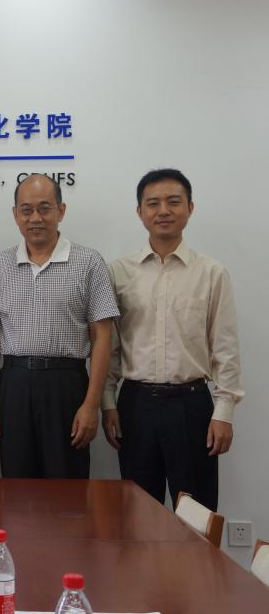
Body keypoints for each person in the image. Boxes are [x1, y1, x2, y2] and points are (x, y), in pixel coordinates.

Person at [102, 169, 242, 510]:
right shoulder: (118, 272)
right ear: (140, 212)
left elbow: (225, 347)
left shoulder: (212, 273)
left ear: (190, 208)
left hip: (191, 406)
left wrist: (224, 412)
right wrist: (108, 403)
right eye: (153, 203)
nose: (163, 210)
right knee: (138, 514)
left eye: (173, 202)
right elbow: (110, 347)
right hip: (135, 406)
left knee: (196, 513)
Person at [0, 174, 119, 479]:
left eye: (45, 208)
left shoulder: (89, 262)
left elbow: (102, 337)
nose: (35, 218)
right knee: (16, 483)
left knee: (67, 484)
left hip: (66, 386)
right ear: (15, 214)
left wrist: (91, 404)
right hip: (13, 386)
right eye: (26, 210)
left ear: (61, 210)